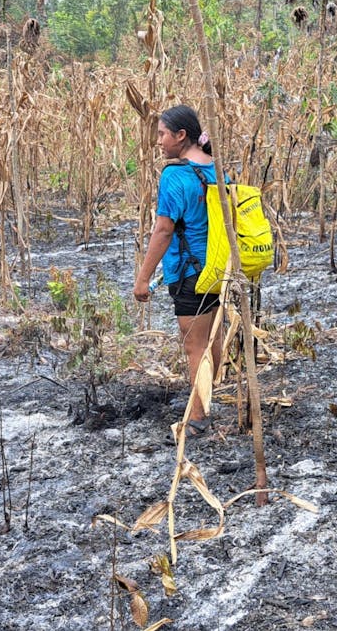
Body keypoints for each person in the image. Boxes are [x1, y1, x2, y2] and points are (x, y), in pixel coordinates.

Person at [132, 105, 224, 439]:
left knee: (194, 346)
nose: (158, 142)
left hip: (188, 274)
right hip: (218, 270)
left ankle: (198, 417)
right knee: (213, 336)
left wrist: (143, 278)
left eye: (161, 134)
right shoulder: (218, 170)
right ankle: (211, 398)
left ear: (181, 136)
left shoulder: (174, 175)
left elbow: (163, 231)